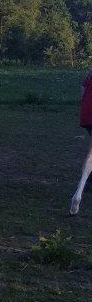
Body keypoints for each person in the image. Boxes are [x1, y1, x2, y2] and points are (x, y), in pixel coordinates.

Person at [69, 68, 92, 214]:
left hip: (87, 115)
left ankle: (80, 191)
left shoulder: (90, 73)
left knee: (91, 155)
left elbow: (82, 89)